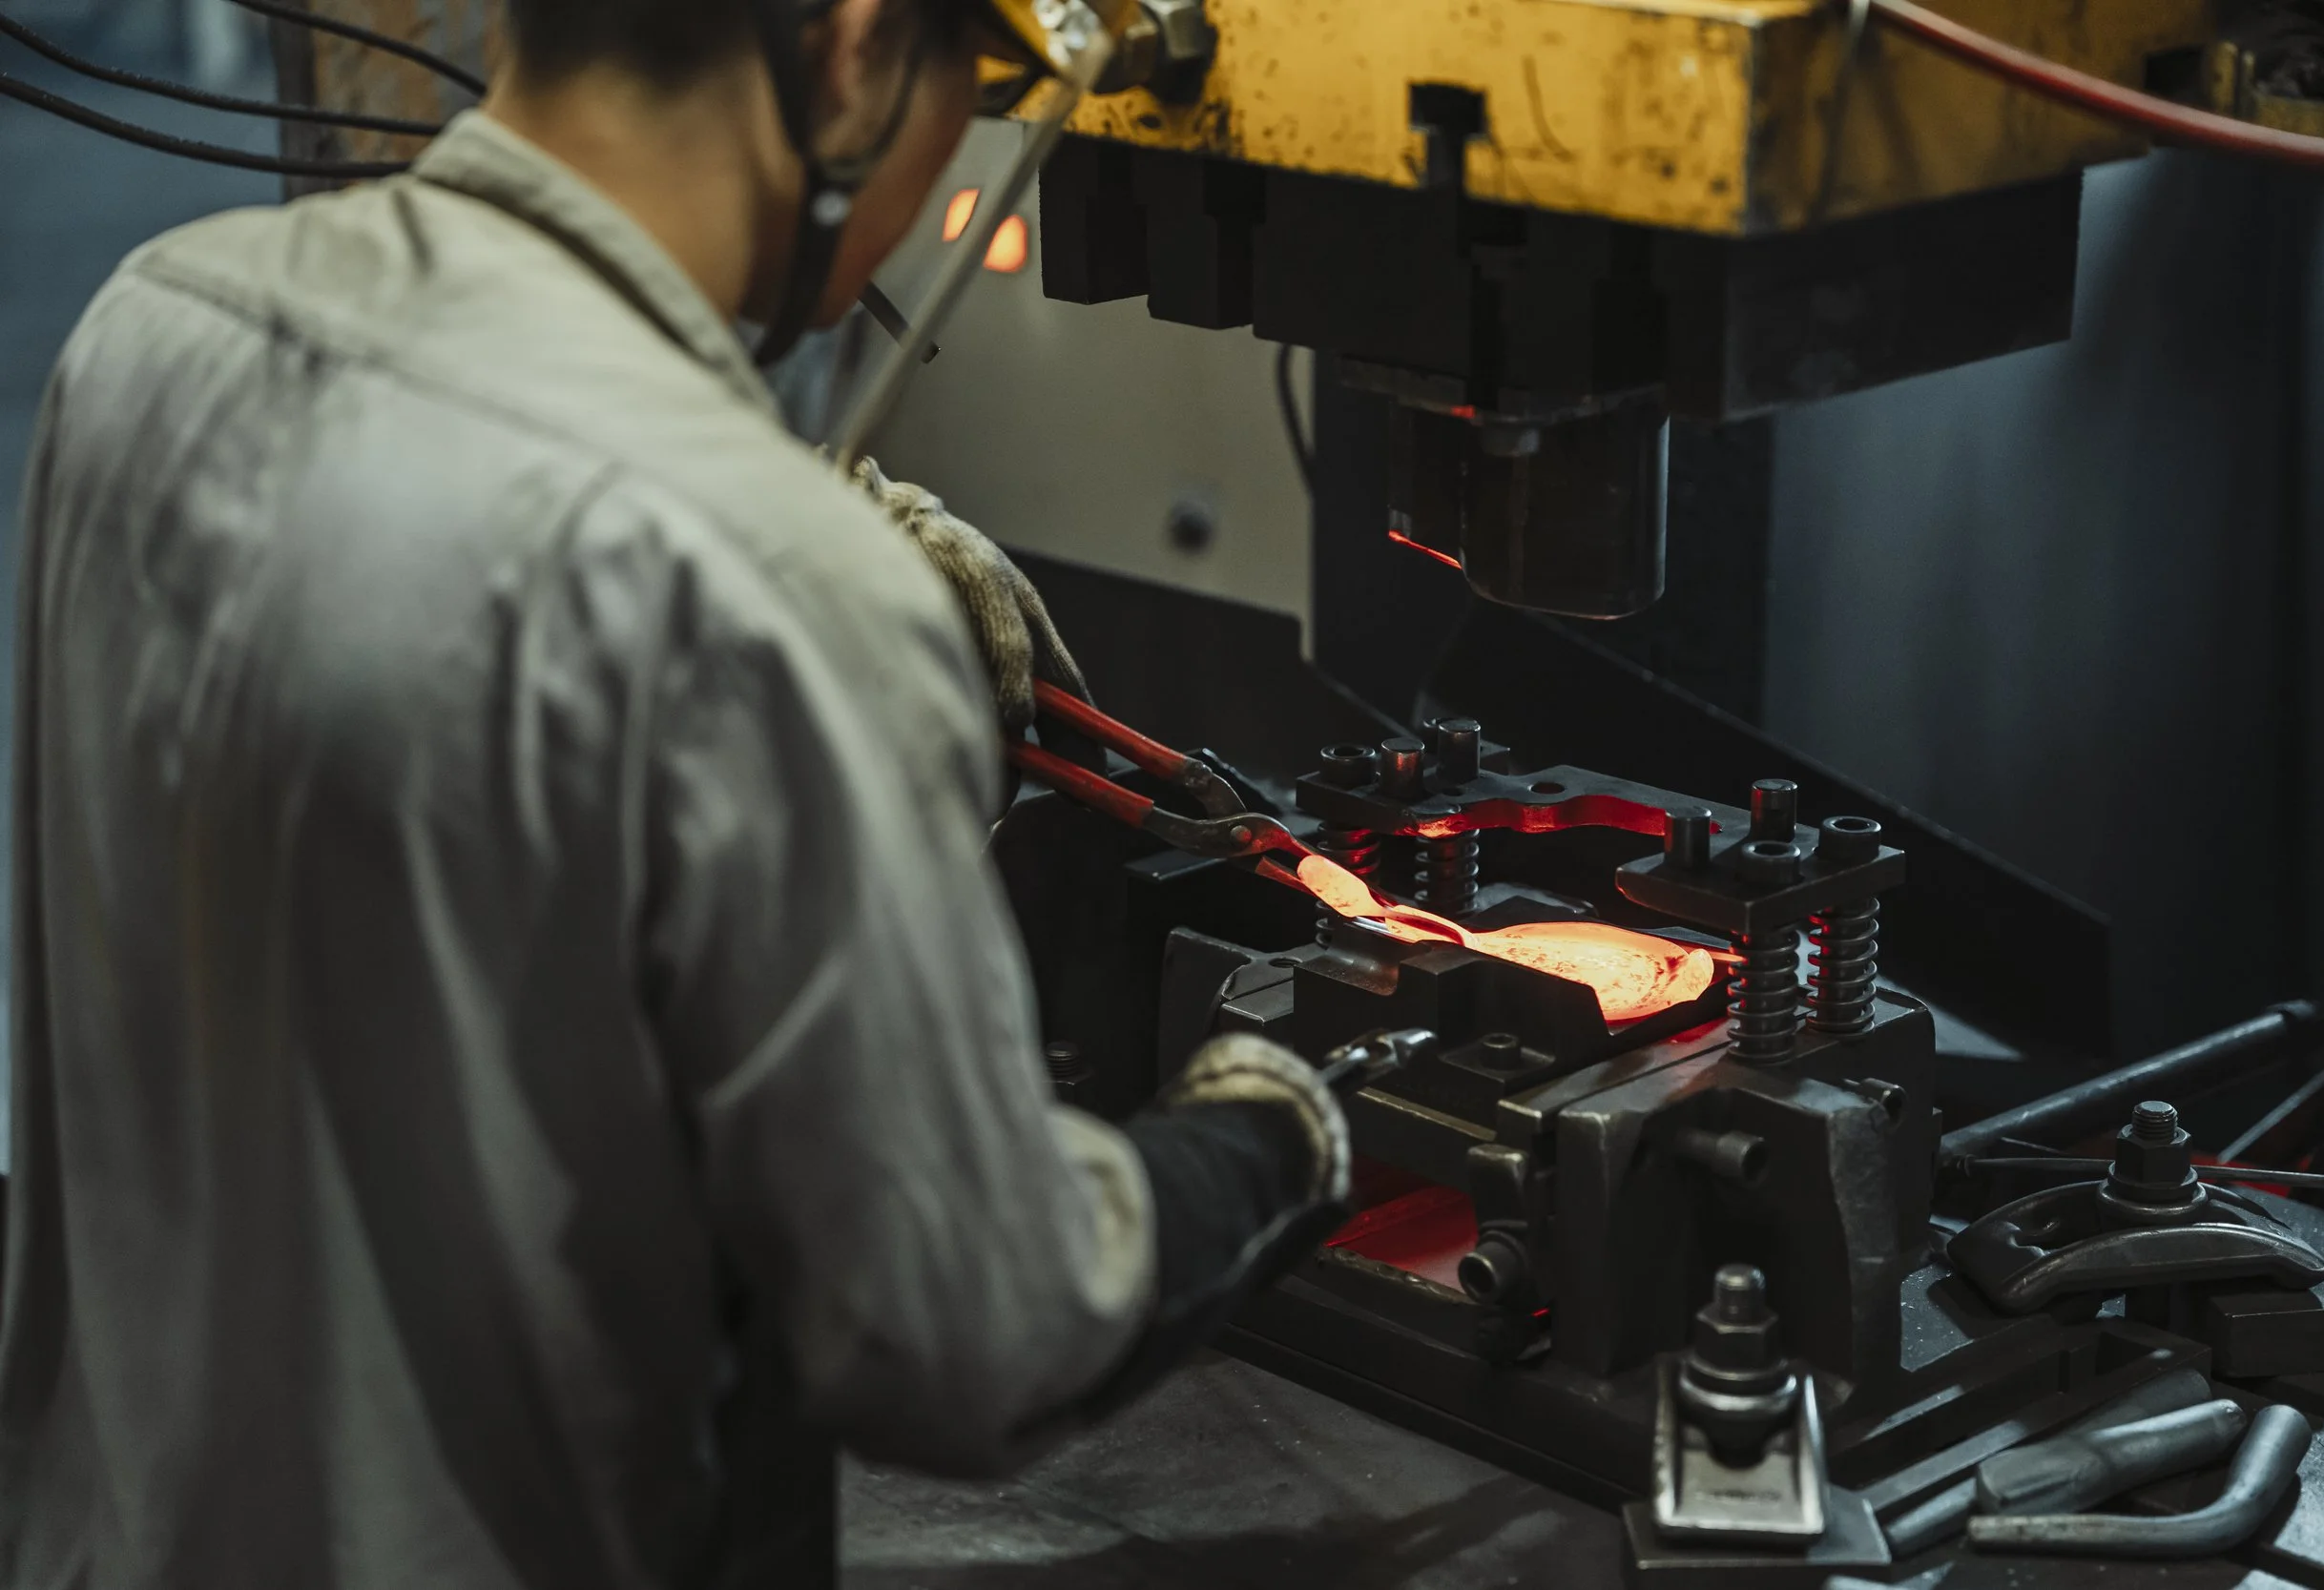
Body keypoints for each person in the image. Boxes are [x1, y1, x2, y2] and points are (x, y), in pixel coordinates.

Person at [0, 0, 1351, 1584]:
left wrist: (800, 533)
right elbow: (980, 1326)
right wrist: (1274, 1136)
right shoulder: (759, 589)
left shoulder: (150, 330)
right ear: (851, 50)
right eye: (973, 94)